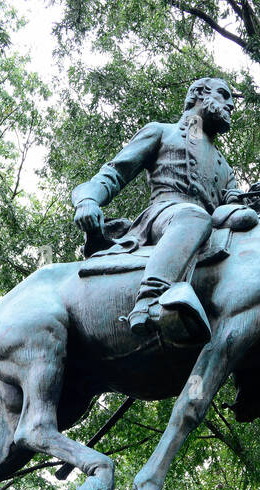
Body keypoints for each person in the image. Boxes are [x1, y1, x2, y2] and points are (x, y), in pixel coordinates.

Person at [71, 76, 248, 338]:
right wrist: (87, 200)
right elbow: (114, 173)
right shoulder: (163, 132)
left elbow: (232, 204)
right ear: (199, 94)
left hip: (205, 230)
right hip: (164, 215)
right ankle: (151, 300)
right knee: (194, 216)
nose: (231, 104)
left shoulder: (224, 166)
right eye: (224, 94)